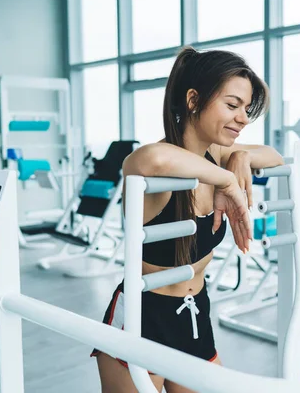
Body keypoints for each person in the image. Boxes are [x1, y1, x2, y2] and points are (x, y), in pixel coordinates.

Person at [91, 46, 284, 392]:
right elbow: (149, 159)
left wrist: (240, 156)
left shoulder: (219, 153)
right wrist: (225, 179)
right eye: (232, 104)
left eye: (245, 108)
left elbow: (273, 155)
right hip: (144, 317)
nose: (243, 118)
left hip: (195, 313)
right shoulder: (158, 170)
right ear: (193, 100)